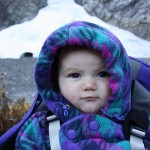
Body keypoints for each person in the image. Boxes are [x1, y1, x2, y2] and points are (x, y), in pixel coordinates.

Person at [15, 21, 149, 149]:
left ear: (119, 80)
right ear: (55, 81)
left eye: (102, 74)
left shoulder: (141, 123)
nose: (89, 85)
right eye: (75, 75)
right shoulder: (39, 130)